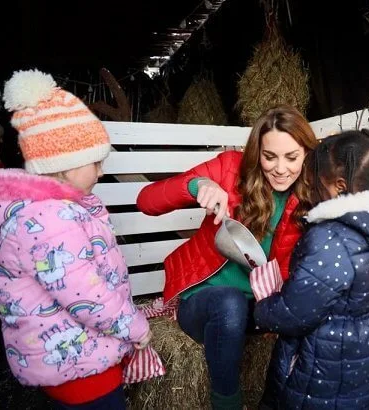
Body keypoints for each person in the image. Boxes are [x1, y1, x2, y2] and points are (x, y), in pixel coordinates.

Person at [136, 104, 318, 410]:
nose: (281, 168)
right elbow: (147, 201)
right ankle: (227, 403)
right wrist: (198, 185)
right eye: (269, 156)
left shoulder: (310, 198)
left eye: (292, 157)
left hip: (259, 310)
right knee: (229, 302)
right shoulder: (230, 168)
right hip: (205, 303)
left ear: (306, 155)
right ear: (256, 152)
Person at [0, 69, 151, 409]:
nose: (100, 171)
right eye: (95, 162)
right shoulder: (52, 220)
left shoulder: (43, 211)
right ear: (63, 165)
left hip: (68, 358)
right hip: (80, 364)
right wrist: (134, 327)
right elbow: (87, 294)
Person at [252, 130, 369, 410]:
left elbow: (296, 313)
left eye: (316, 184)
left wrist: (261, 310)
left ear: (339, 186)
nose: (312, 191)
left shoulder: (331, 238)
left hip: (326, 361)